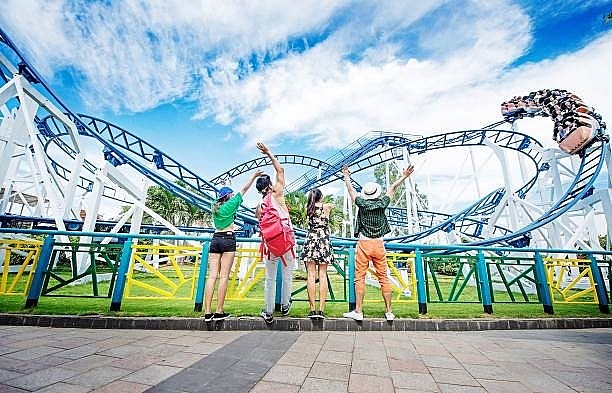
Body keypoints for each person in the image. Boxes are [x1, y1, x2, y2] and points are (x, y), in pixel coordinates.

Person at [341, 163, 414, 321]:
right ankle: (389, 312)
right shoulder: (382, 203)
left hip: (364, 244)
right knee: (384, 277)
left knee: (359, 277)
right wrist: (404, 176)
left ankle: (359, 311)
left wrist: (346, 175)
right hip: (379, 245)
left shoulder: (362, 204)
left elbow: (351, 190)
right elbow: (392, 188)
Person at [203, 170, 264, 322]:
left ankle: (207, 312)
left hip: (215, 239)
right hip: (228, 239)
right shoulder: (231, 204)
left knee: (211, 276)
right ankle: (219, 311)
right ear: (229, 196)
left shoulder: (214, 206)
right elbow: (244, 189)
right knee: (224, 276)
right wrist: (254, 176)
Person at [255, 142, 294, 324]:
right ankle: (285, 305)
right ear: (270, 184)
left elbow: (261, 227)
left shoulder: (259, 206)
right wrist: (268, 152)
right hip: (286, 241)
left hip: (270, 246)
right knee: (287, 275)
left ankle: (268, 311)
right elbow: (281, 170)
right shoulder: (277, 193)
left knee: (270, 279)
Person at [301, 188, 334, 319]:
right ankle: (321, 309)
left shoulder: (307, 207)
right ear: (321, 197)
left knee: (310, 275)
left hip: (310, 240)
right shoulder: (327, 207)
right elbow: (329, 206)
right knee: (323, 275)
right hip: (323, 240)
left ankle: (312, 309)